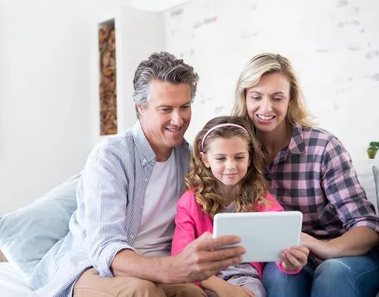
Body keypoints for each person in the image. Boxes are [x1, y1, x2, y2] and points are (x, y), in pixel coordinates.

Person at [30, 52, 246, 297]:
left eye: (184, 107)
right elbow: (105, 248)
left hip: (161, 266)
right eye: (166, 109)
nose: (178, 119)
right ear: (141, 107)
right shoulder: (110, 157)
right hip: (95, 268)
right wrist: (170, 269)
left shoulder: (188, 157)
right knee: (142, 292)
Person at [232, 52, 379, 297]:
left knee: (332, 273)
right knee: (281, 277)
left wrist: (323, 248)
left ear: (290, 100)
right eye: (256, 97)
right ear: (244, 98)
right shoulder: (236, 153)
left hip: (345, 257)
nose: (266, 108)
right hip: (286, 258)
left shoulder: (323, 147)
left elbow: (367, 226)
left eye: (277, 98)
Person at [172, 116, 308, 297]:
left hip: (246, 281)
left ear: (250, 158)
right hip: (204, 281)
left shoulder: (262, 200)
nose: (231, 166)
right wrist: (221, 287)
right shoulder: (190, 202)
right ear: (205, 159)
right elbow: (180, 257)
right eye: (220, 158)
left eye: (239, 157)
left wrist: (289, 262)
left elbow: (279, 245)